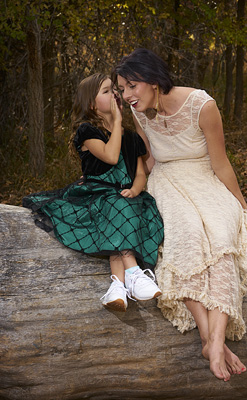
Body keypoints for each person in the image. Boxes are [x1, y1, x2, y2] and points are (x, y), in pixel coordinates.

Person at [114, 48, 247, 381]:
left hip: (205, 179)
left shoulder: (203, 105)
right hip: (167, 182)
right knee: (186, 238)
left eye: (131, 86)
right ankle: (209, 339)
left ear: (154, 81)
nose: (126, 95)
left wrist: (241, 205)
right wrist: (127, 188)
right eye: (122, 88)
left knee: (223, 236)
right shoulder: (140, 112)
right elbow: (151, 159)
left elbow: (221, 162)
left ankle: (214, 340)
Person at [23, 73, 164, 312]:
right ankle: (133, 272)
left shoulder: (131, 137)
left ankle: (117, 287)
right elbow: (110, 156)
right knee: (116, 206)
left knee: (123, 208)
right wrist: (118, 121)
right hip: (96, 194)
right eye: (107, 91)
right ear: (91, 103)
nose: (115, 94)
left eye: (114, 90)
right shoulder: (87, 131)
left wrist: (136, 189)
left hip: (125, 195)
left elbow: (141, 173)